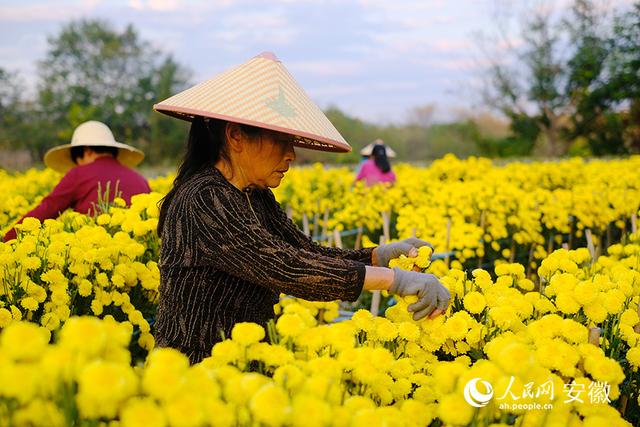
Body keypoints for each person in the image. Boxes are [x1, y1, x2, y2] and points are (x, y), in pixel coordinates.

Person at [152, 52, 450, 364]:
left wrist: (381, 255)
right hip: (192, 373)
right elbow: (286, 267)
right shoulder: (204, 198)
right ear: (236, 136)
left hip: (243, 367)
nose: (292, 154)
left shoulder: (255, 195)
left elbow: (303, 251)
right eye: (282, 140)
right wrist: (395, 281)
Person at [3, 121, 150, 241]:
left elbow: (48, 209)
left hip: (94, 256)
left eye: (77, 160)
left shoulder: (79, 173)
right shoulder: (141, 179)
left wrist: (7, 240)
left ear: (87, 151)